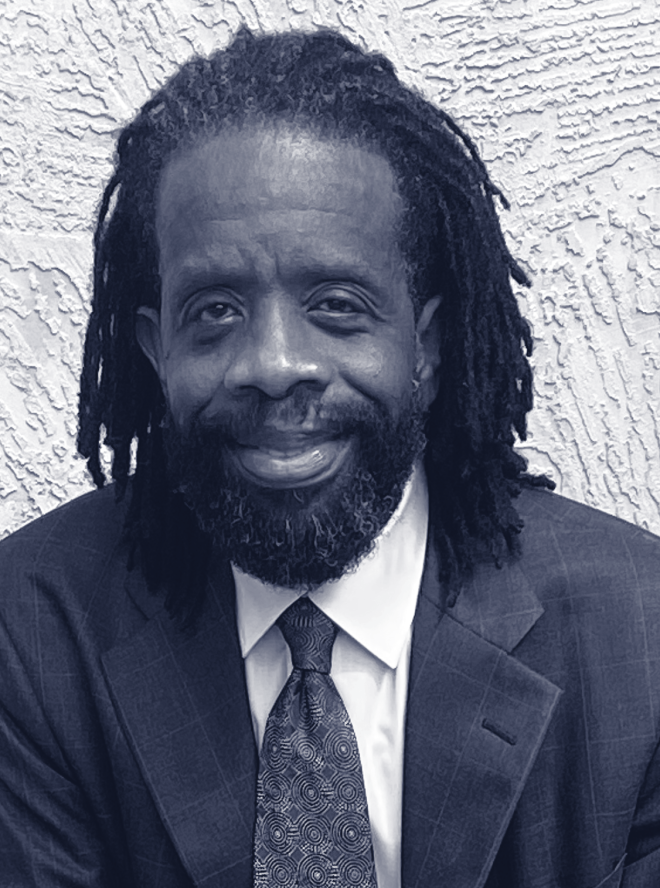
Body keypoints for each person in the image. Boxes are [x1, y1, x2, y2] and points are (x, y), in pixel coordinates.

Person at [1, 26, 659, 888]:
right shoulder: (33, 629)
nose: (276, 367)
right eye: (216, 312)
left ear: (423, 347)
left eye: (337, 304)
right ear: (158, 353)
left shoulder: (638, 632)